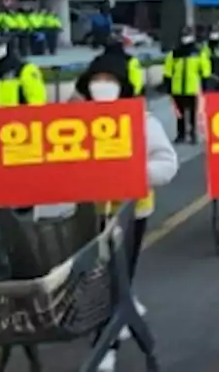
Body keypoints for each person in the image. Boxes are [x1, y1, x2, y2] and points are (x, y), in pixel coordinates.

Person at [74, 54, 178, 372]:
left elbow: (167, 164)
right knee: (96, 278)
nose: (102, 86)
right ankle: (121, 312)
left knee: (112, 279)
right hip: (89, 215)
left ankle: (106, 345)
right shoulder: (72, 124)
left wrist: (130, 173)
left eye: (110, 80)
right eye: (97, 79)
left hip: (130, 215)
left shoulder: (143, 121)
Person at [162, 28, 211, 144]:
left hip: (193, 87)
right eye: (184, 35)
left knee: (194, 112)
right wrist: (167, 86)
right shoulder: (174, 54)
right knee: (179, 114)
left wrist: (205, 85)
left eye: (187, 35)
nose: (185, 38)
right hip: (177, 88)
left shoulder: (198, 52)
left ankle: (194, 134)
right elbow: (168, 71)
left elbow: (205, 70)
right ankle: (181, 134)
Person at [101, 30, 145, 95]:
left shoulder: (98, 60)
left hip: (99, 98)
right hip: (124, 97)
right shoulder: (131, 60)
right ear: (121, 46)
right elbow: (137, 82)